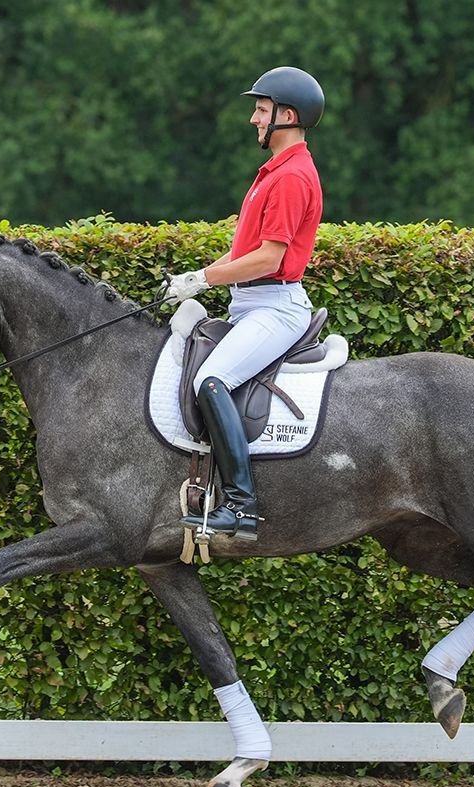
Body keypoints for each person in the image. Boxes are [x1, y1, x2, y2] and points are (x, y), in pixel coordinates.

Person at [163, 66, 325, 542]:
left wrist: (203, 278)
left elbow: (269, 259)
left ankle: (240, 504)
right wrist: (191, 282)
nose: (253, 119)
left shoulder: (292, 176)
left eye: (260, 110)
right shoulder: (271, 173)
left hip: (276, 308)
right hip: (251, 305)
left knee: (212, 380)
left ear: (286, 115)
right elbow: (243, 253)